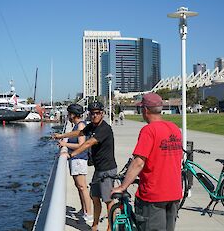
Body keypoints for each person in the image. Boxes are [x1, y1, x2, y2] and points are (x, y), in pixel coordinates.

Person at [111, 93, 183, 231]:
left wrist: (123, 186)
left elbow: (139, 162)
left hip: (153, 195)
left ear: (145, 110)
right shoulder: (174, 128)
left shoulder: (149, 130)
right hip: (174, 193)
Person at [54, 101, 117, 231]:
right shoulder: (92, 126)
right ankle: (94, 226)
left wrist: (71, 155)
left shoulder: (104, 128)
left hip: (107, 169)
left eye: (97, 113)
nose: (94, 116)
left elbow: (88, 143)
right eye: (92, 113)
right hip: (98, 168)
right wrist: (62, 135)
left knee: (108, 200)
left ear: (103, 114)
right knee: (95, 198)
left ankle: (110, 228)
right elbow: (79, 133)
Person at [57, 104, 93, 222]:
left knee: (82, 187)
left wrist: (65, 144)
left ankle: (89, 213)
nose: (67, 116)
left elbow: (81, 145)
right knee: (79, 187)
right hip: (75, 159)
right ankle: (84, 210)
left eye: (69, 113)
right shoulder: (77, 126)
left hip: (79, 159)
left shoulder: (81, 125)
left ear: (72, 114)